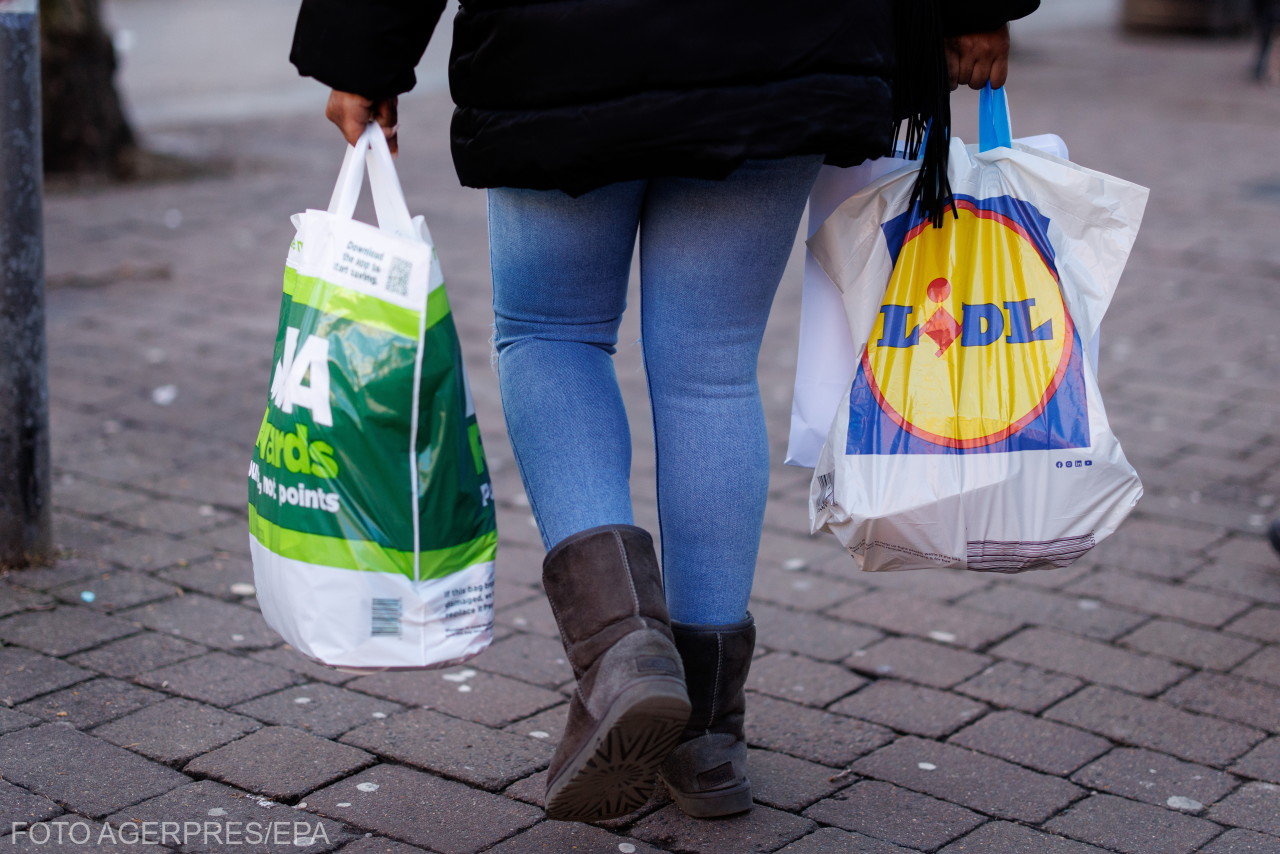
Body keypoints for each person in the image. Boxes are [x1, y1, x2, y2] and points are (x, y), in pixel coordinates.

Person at [291, 0, 1038, 823]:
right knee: (710, 368)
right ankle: (709, 735)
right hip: (782, 38)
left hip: (562, 40)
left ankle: (622, 652)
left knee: (552, 334)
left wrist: (361, 49)